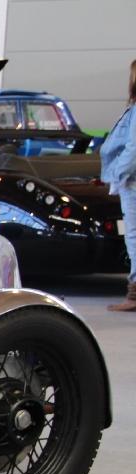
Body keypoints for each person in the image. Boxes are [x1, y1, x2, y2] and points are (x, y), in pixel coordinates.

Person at [100, 58, 136, 312]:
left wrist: (118, 175)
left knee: (134, 237)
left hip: (132, 182)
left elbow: (133, 149)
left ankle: (134, 295)